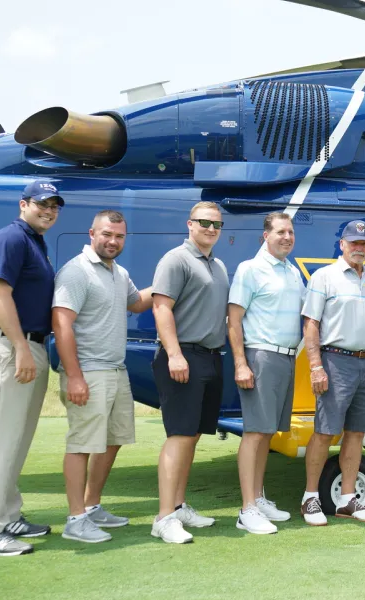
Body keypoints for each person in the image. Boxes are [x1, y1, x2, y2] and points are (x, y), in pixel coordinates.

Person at [0, 180, 63, 556]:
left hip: (28, 345)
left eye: (55, 206)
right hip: (11, 346)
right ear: (24, 204)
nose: (49, 210)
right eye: (42, 204)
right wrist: (22, 347)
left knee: (17, 439)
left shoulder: (33, 241)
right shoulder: (11, 238)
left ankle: (8, 514)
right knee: (1, 440)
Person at [52, 210, 153, 543]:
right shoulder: (76, 271)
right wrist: (75, 377)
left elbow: (137, 304)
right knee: (82, 445)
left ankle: (92, 506)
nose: (113, 241)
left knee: (112, 441)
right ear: (92, 232)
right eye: (107, 234)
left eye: (119, 236)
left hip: (115, 370)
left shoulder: (118, 272)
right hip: (89, 372)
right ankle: (75, 518)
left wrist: (170, 280)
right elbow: (61, 324)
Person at [300, 220, 365, 526]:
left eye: (363, 243)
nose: (358, 247)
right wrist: (315, 366)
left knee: (357, 432)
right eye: (353, 242)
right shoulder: (324, 277)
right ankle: (311, 498)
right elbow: (311, 324)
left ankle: (347, 500)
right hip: (334, 361)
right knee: (326, 431)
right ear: (342, 245)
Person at [149, 201, 230, 544]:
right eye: (204, 222)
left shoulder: (219, 265)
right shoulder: (176, 259)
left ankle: (178, 506)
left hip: (211, 357)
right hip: (183, 356)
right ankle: (164, 517)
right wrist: (174, 354)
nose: (211, 229)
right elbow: (160, 306)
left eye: (216, 225)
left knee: (193, 437)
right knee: (179, 436)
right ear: (190, 224)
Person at [227, 212, 306, 535]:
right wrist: (241, 364)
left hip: (286, 359)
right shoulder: (250, 269)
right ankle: (246, 509)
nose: (287, 237)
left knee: (268, 435)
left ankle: (258, 498)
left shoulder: (292, 271)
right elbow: (233, 321)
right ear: (265, 236)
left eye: (290, 232)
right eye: (280, 232)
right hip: (260, 356)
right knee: (255, 433)